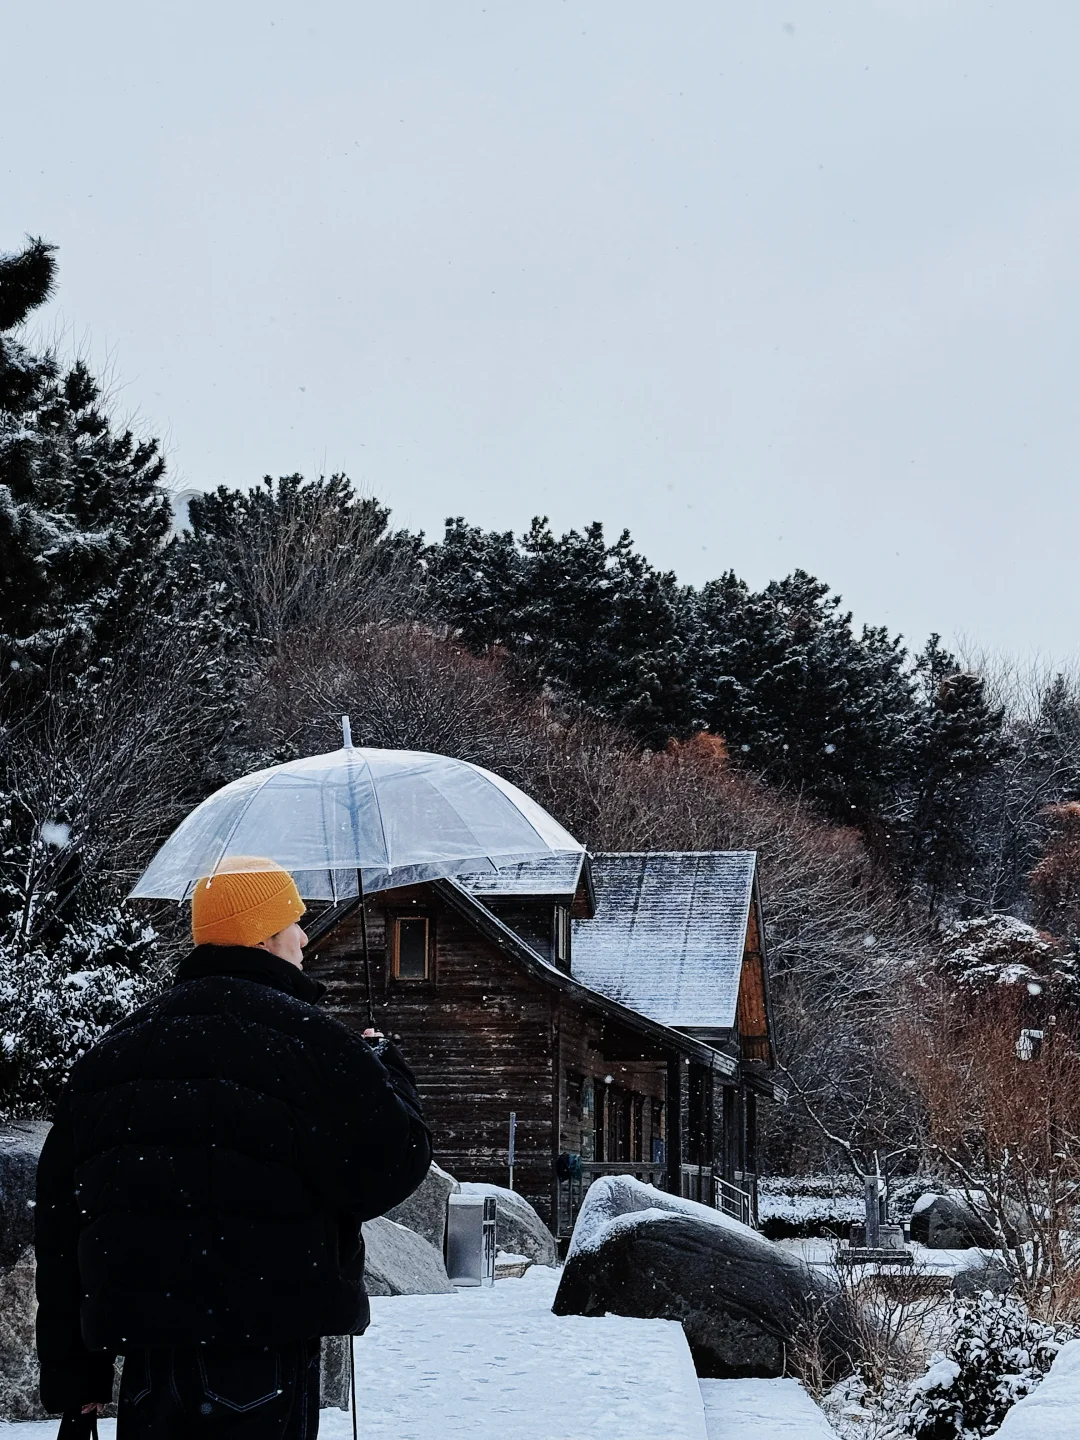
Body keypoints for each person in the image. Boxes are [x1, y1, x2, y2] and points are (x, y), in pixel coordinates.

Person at [35, 858, 432, 1438]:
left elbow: (60, 1221)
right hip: (263, 1354)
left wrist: (79, 1382)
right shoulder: (311, 1044)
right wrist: (389, 1071)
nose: (303, 937)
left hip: (148, 1369)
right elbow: (388, 1168)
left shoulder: (113, 1055)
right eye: (294, 921)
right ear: (264, 934)